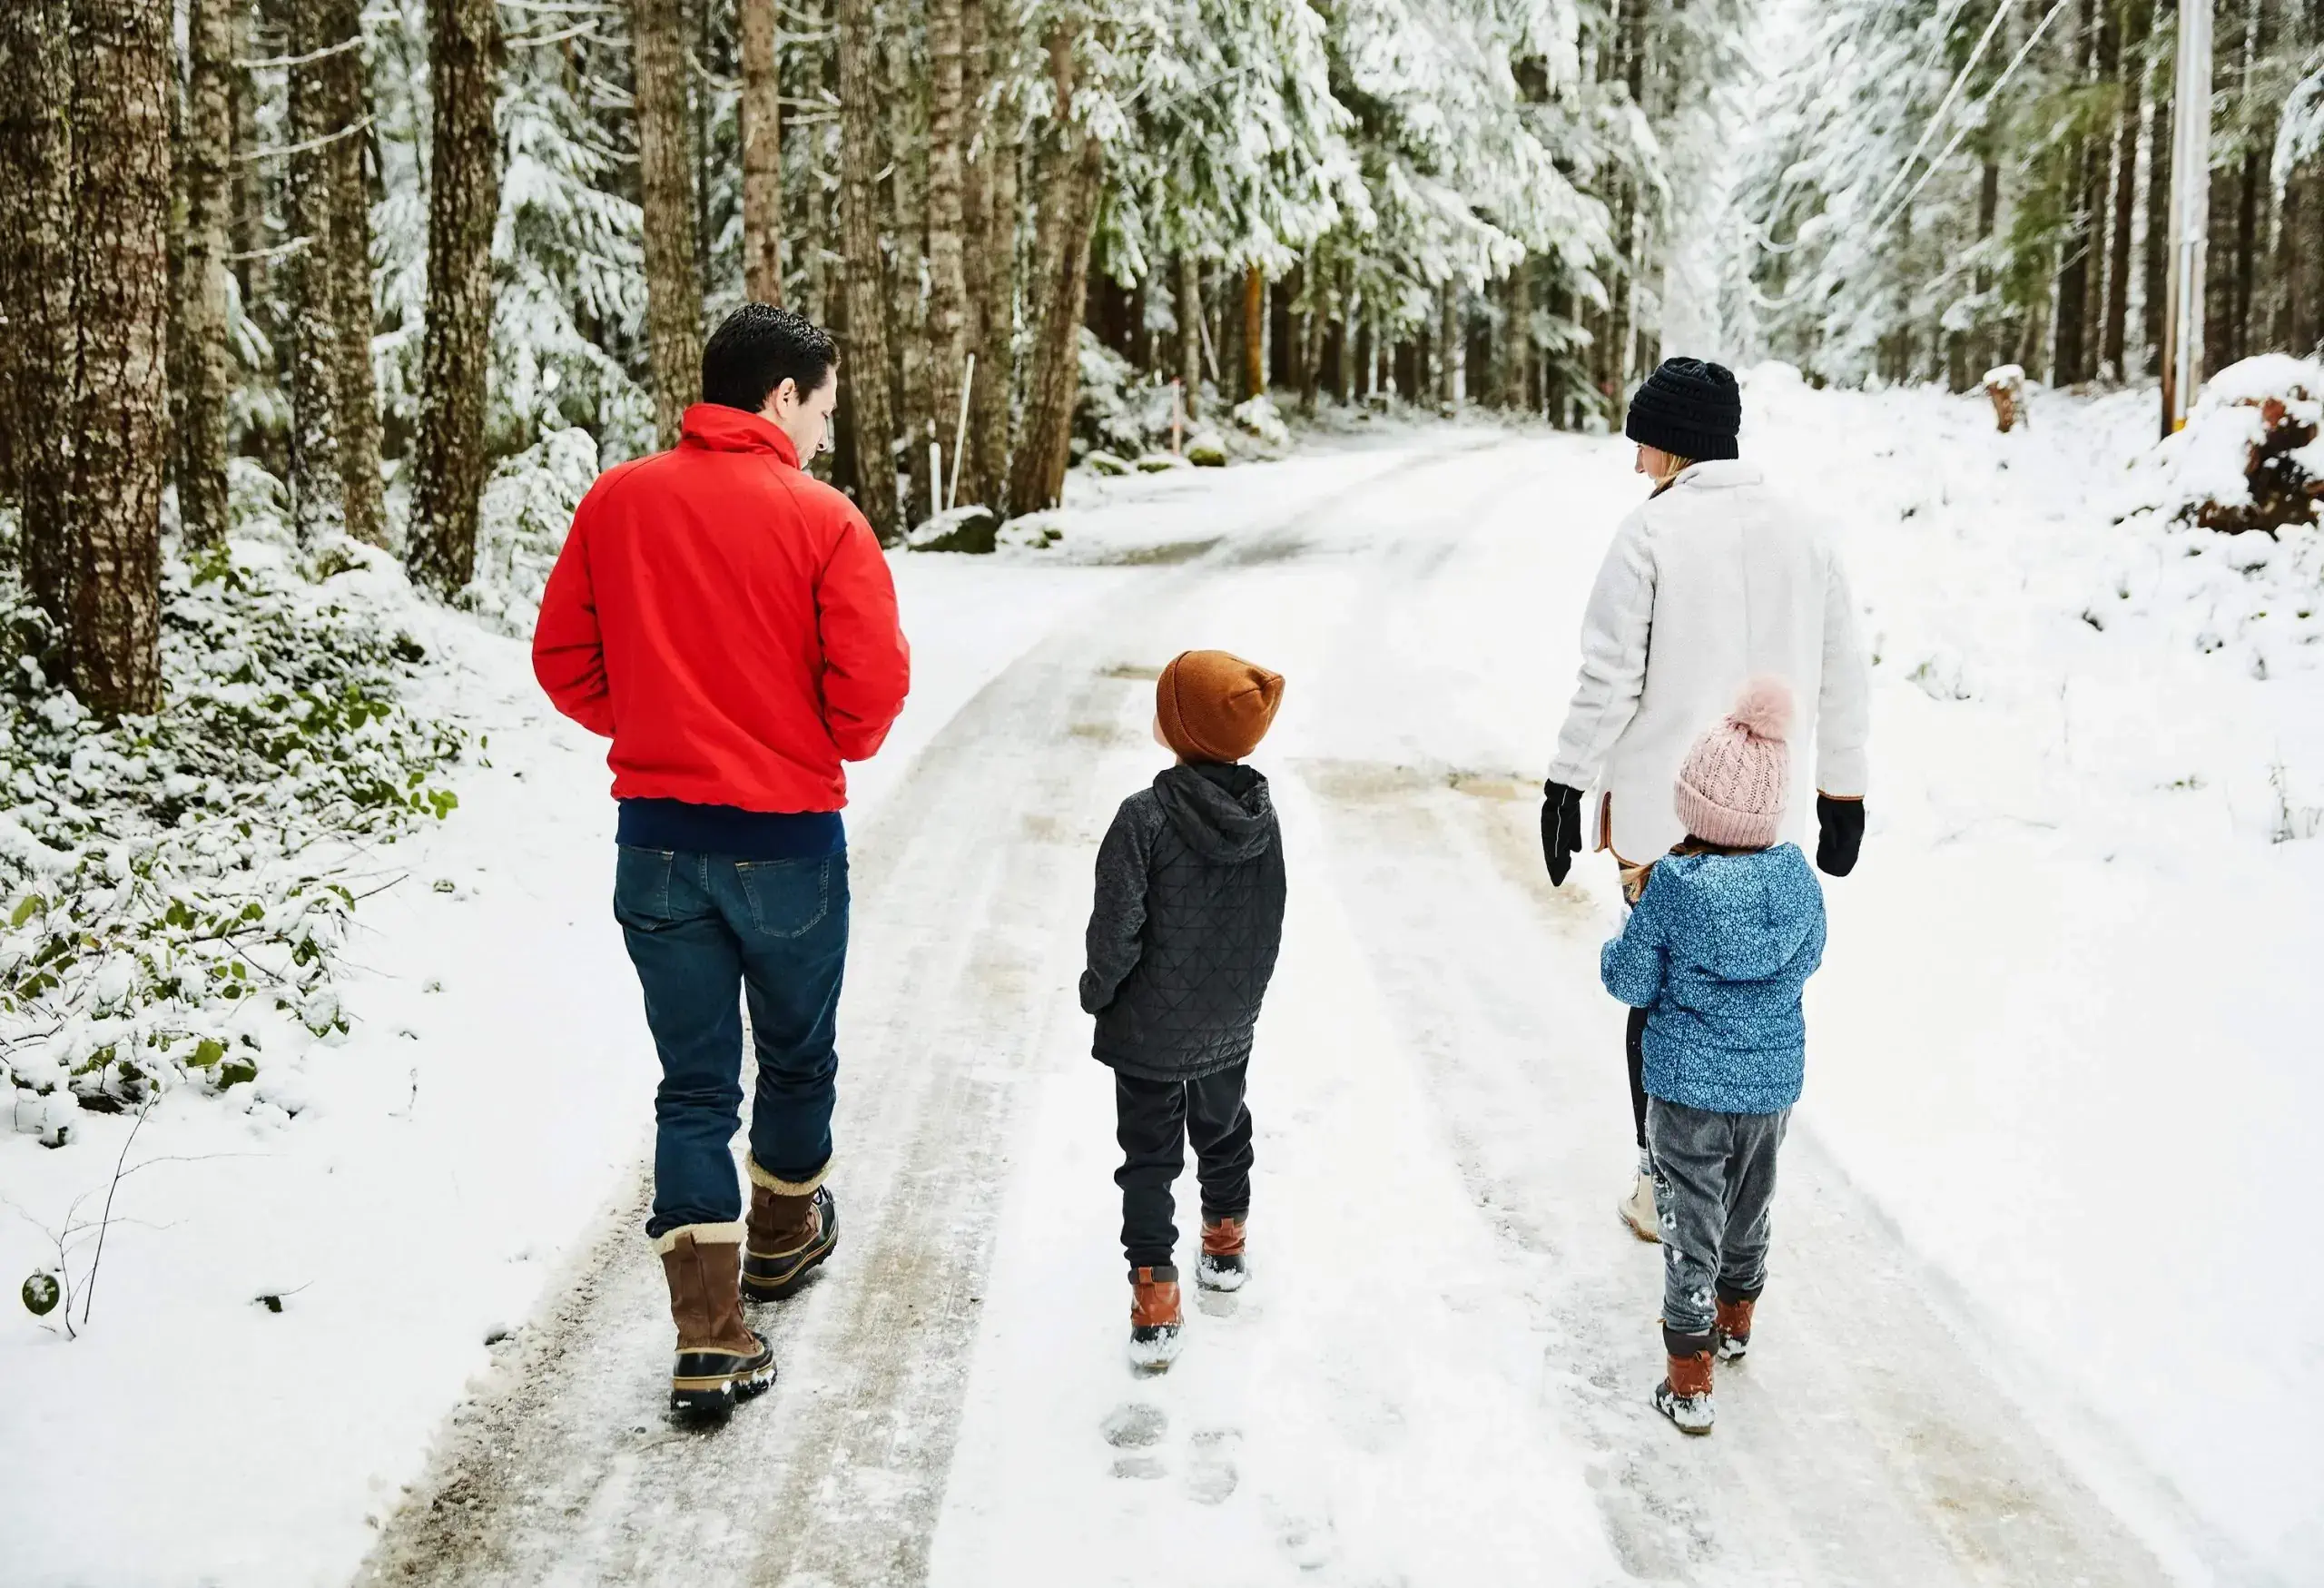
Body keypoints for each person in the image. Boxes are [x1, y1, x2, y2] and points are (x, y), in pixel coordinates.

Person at [533, 303, 911, 1418]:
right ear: (781, 397)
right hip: (785, 845)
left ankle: (708, 1336)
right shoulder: (822, 520)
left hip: (655, 844)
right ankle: (783, 1243)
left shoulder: (618, 499)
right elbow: (871, 696)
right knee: (793, 1060)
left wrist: (658, 722)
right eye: (823, 411)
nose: (824, 436)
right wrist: (800, 734)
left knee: (693, 1088)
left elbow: (563, 660)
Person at [1538, 357, 1869, 1241]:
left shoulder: (1649, 535)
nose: (1636, 460)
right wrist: (1843, 788)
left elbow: (1608, 677)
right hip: (1766, 817)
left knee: (1662, 999)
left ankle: (1664, 1181)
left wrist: (1567, 780)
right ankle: (1736, 1182)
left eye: (1642, 440)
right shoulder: (1807, 533)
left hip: (1662, 821)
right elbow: (1843, 677)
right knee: (1751, 1000)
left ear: (1674, 440)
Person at [1599, 680, 1825, 1436]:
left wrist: (1626, 929)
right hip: (1768, 1088)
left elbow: (1629, 979)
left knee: (1689, 1217)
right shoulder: (1798, 880)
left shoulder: (1671, 888)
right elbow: (1810, 957)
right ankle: (1735, 1323)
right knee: (1748, 1204)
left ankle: (1688, 1379)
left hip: (1687, 1090)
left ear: (1695, 807)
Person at [1081, 650, 1286, 1369]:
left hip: (1146, 1029)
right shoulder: (1261, 818)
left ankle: (1155, 1296)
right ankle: (1224, 1245)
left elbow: (1116, 927)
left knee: (1148, 1157)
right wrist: (1244, 1003)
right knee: (1224, 1129)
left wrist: (1097, 990)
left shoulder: (1143, 818)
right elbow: (1271, 916)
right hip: (1226, 1023)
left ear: (1178, 728)